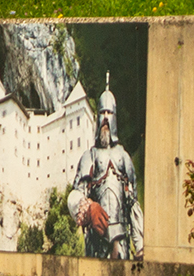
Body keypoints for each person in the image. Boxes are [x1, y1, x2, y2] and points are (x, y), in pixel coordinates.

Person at [64, 85, 141, 260]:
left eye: (110, 113)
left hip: (121, 244)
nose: (105, 117)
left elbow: (133, 205)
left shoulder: (124, 157)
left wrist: (141, 247)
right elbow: (75, 194)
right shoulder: (89, 156)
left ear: (115, 117)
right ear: (97, 117)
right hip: (96, 243)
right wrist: (88, 207)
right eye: (102, 112)